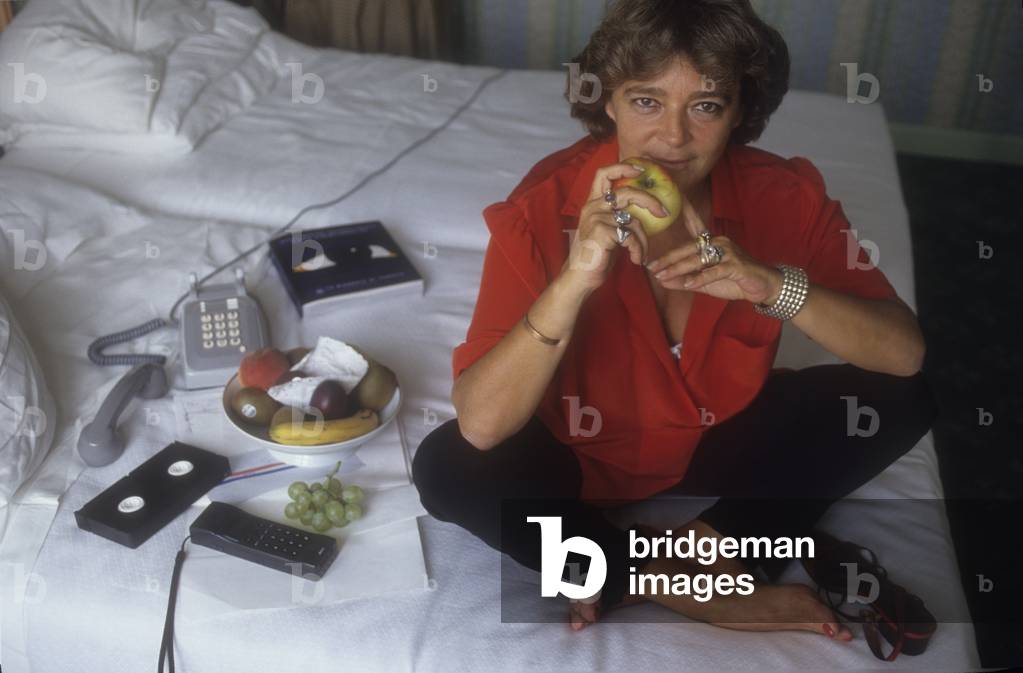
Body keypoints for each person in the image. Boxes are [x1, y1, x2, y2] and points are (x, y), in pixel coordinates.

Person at [412, 0, 936, 640]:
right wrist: (575, 279)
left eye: (706, 106)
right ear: (608, 101)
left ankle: (677, 555)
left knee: (911, 393)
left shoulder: (788, 196)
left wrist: (770, 284)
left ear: (740, 110)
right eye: (647, 101)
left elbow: (903, 353)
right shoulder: (540, 208)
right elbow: (484, 423)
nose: (674, 137)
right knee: (448, 467)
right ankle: (694, 588)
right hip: (577, 457)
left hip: (723, 439)